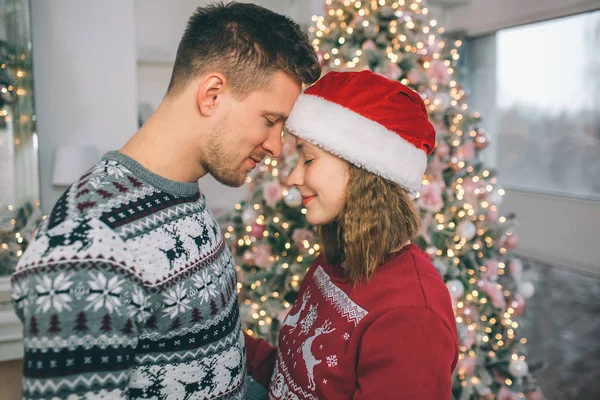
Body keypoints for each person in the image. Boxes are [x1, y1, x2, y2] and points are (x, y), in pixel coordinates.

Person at [11, 3, 320, 399]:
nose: (276, 147)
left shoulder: (182, 193)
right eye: (269, 120)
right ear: (212, 94)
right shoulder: (87, 244)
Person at [245, 71, 458, 399]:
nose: (292, 177)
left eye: (308, 159)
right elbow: (290, 378)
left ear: (363, 171)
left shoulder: (412, 317)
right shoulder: (334, 261)